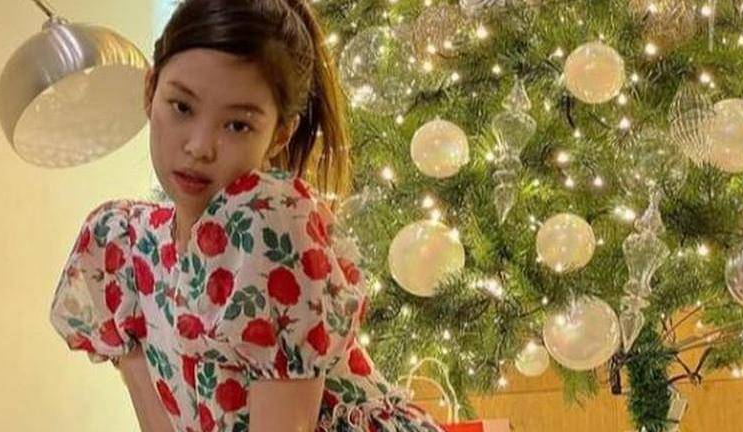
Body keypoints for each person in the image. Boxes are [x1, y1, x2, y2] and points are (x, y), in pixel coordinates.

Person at [48, 0, 447, 431]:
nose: (200, 146)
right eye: (181, 107)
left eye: (237, 125)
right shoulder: (123, 248)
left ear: (279, 136)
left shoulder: (272, 226)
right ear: (150, 92)